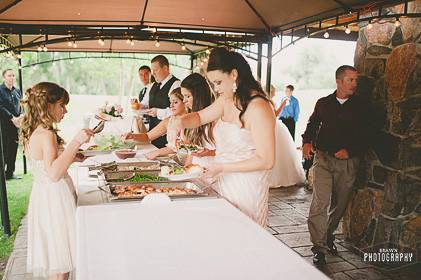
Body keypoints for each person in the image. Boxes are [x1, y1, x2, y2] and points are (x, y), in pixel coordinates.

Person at [171, 48, 275, 226]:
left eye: (218, 82)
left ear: (234, 74)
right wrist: (179, 122)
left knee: (244, 233)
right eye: (212, 84)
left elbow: (266, 161)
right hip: (222, 178)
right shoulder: (225, 100)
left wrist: (222, 167)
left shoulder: (258, 107)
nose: (215, 89)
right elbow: (199, 117)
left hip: (247, 185)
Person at [20, 82, 94, 279]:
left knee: (58, 258)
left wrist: (70, 155)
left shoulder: (35, 130)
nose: (66, 110)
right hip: (55, 199)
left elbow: (46, 163)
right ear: (48, 106)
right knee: (62, 262)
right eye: (62, 105)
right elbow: (53, 174)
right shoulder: (47, 134)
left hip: (43, 197)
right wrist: (76, 142)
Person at [302, 65, 370, 265]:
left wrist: (350, 150)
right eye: (351, 80)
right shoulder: (323, 103)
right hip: (322, 159)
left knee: (338, 206)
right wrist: (307, 141)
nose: (354, 84)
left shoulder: (361, 106)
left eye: (356, 80)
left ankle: (328, 235)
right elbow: (312, 124)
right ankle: (319, 247)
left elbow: (367, 134)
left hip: (348, 163)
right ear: (339, 81)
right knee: (319, 203)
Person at [123, 88, 186, 159]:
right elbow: (148, 136)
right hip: (171, 159)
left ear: (185, 102)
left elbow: (182, 149)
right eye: (170, 102)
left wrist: (157, 152)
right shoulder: (168, 121)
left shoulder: (192, 122)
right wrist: (133, 136)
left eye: (175, 102)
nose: (171, 106)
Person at [179, 73, 216, 168]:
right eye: (183, 96)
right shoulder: (192, 118)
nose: (184, 101)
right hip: (196, 171)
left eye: (187, 96)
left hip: (212, 171)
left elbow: (228, 152)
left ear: (199, 96)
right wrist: (186, 169)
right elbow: (192, 153)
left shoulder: (215, 118)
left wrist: (210, 152)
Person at [145, 55, 180, 148]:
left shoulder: (176, 84)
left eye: (155, 70)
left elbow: (178, 112)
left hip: (167, 137)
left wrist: (158, 112)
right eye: (152, 71)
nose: (153, 74)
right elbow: (148, 104)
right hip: (153, 134)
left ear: (165, 68)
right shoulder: (153, 85)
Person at [0, 69, 23, 180]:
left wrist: (20, 117)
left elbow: (21, 105)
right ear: (4, 77)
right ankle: (1, 174)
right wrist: (11, 117)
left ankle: (10, 173)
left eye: (13, 75)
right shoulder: (0, 90)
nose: (12, 77)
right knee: (4, 149)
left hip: (16, 125)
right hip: (4, 126)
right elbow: (1, 107)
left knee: (14, 148)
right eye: (9, 75)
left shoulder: (17, 91)